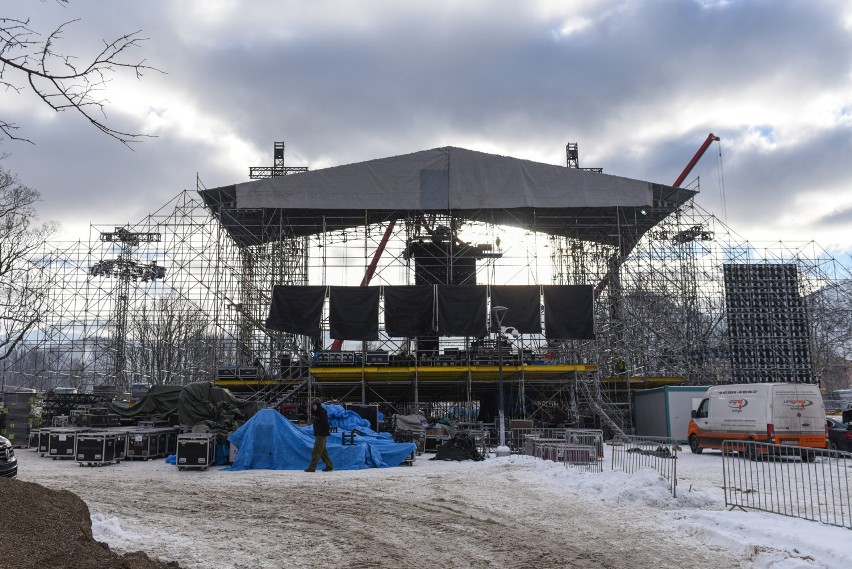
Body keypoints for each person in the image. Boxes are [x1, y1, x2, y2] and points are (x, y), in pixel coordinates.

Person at [305, 399, 333, 472]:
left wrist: (325, 432)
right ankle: (329, 466)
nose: (313, 407)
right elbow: (312, 413)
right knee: (323, 453)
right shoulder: (317, 413)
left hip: (321, 435)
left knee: (316, 451)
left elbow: (326, 424)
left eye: (314, 405)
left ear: (318, 405)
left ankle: (312, 468)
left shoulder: (322, 413)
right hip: (318, 435)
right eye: (313, 405)